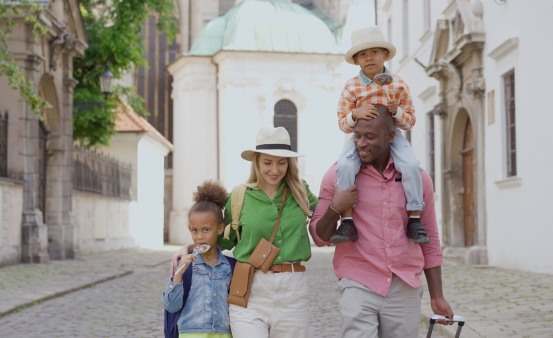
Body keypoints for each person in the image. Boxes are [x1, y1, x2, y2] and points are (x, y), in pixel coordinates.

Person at [310, 105, 454, 337]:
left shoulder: (416, 179)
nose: (361, 143)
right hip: (358, 279)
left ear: (390, 137)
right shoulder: (337, 175)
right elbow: (319, 237)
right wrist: (336, 207)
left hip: (404, 284)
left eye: (370, 137)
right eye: (357, 136)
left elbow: (429, 236)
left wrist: (437, 296)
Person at [171, 126, 318, 338]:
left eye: (282, 162)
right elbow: (221, 241)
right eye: (267, 162)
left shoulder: (300, 190)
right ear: (257, 162)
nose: (274, 169)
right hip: (250, 290)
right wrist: (189, 247)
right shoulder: (240, 196)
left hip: (293, 291)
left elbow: (324, 219)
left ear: (290, 163)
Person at [330, 25, 430, 246]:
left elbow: (410, 121)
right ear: (356, 61)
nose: (369, 58)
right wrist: (355, 113)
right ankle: (347, 220)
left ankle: (414, 218)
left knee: (412, 165)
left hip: (391, 137)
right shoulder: (351, 87)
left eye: (374, 52)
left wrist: (396, 111)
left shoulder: (398, 84)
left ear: (385, 55)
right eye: (363, 54)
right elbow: (342, 124)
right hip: (359, 137)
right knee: (345, 166)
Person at [164, 181, 235, 338]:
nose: (200, 236)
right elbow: (171, 306)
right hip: (192, 333)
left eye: (206, 230)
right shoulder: (186, 266)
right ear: (190, 230)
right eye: (195, 230)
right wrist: (179, 273)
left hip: (223, 333)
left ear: (220, 229)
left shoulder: (230, 267)